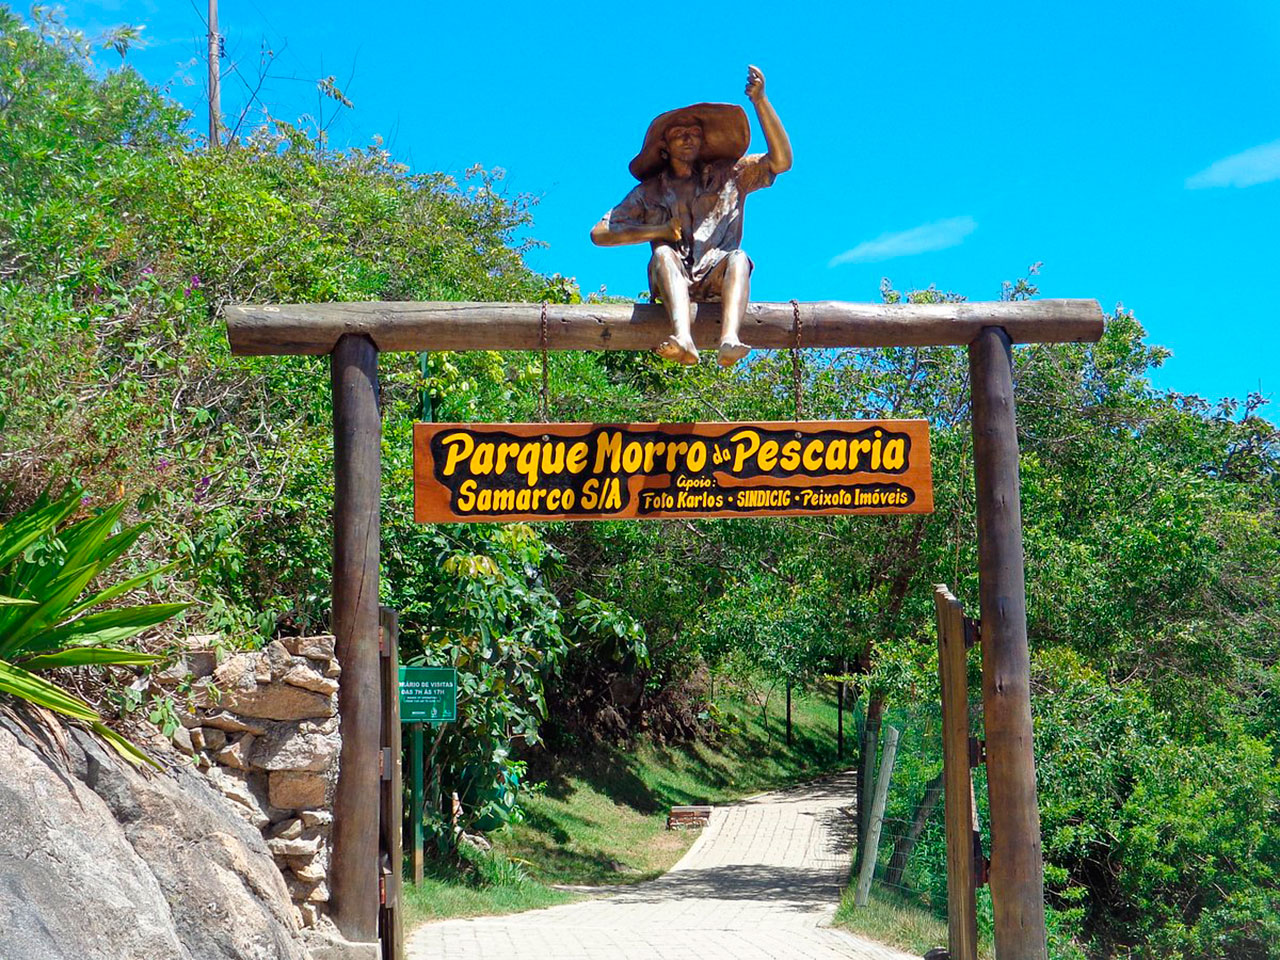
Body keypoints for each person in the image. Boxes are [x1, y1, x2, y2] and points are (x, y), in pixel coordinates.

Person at [590, 65, 792, 366]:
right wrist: (657, 231)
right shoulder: (649, 192)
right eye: (679, 134)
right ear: (665, 147)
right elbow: (600, 233)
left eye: (694, 134)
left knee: (738, 257)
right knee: (662, 255)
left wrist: (760, 101)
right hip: (673, 278)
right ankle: (683, 336)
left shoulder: (731, 175)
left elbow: (782, 161)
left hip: (716, 275)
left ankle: (730, 338)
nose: (688, 138)